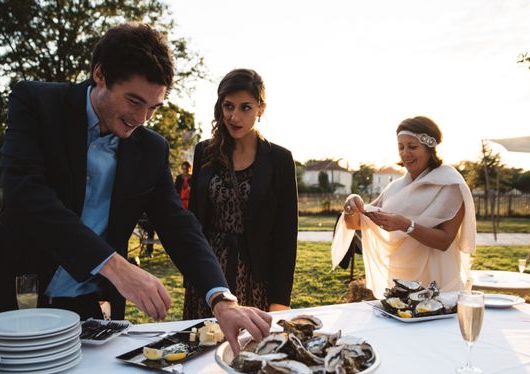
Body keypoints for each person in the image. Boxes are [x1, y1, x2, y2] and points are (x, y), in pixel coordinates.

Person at [0, 23, 270, 354]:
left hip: (86, 312)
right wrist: (115, 266)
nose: (142, 117)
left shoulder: (152, 149)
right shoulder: (36, 102)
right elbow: (25, 195)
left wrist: (222, 299)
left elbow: (179, 225)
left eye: (153, 107)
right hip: (9, 298)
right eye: (134, 101)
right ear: (100, 74)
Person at [183, 68, 298, 320]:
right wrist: (192, 275)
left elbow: (286, 235)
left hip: (255, 276)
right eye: (228, 106)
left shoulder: (279, 159)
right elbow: (193, 221)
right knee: (202, 349)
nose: (234, 116)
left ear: (261, 109)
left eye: (245, 107)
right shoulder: (205, 152)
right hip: (209, 275)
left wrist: (280, 299)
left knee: (248, 351)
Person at [332, 116, 476, 298]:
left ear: (430, 148)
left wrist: (406, 225)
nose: (405, 153)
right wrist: (351, 203)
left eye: (413, 147)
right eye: (401, 147)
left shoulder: (450, 184)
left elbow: (445, 241)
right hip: (400, 282)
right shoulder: (395, 187)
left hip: (437, 283)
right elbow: (356, 223)